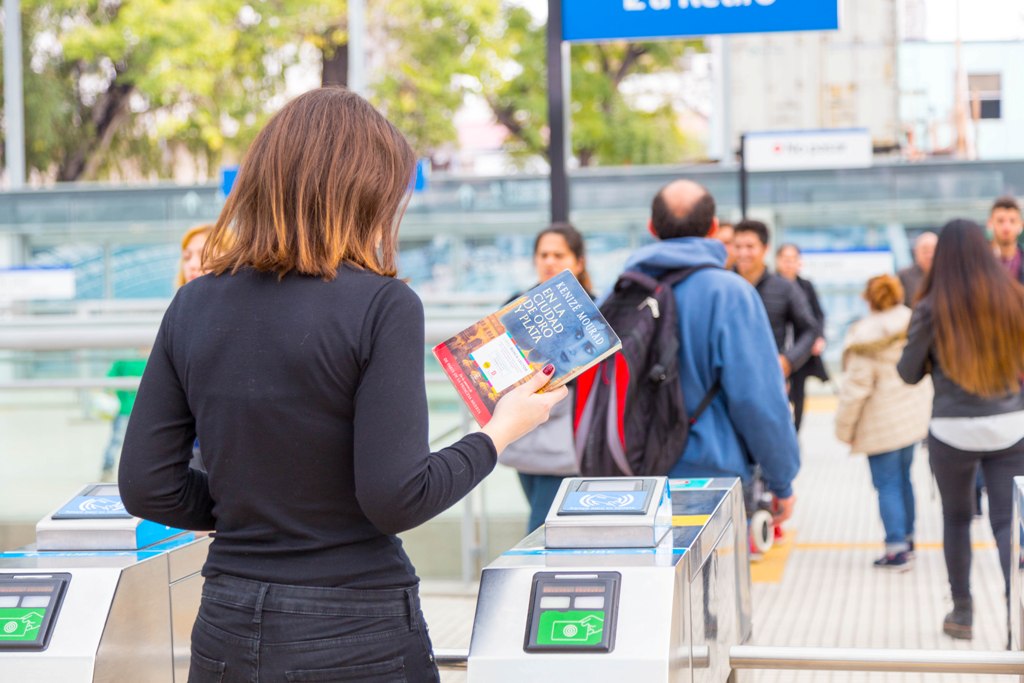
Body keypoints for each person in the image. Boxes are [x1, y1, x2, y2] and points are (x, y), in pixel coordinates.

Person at [118, 88, 566, 683]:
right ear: (364, 192)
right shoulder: (383, 305)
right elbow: (396, 497)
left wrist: (248, 510)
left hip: (226, 619)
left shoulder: (192, 304)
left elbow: (146, 486)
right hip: (355, 627)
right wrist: (500, 430)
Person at [617, 179, 799, 525]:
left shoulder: (621, 290)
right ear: (714, 228)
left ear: (651, 228)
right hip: (709, 477)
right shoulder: (730, 293)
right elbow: (758, 399)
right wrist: (782, 479)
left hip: (628, 476)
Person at [898, 219, 1024, 642]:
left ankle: (962, 613)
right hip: (1010, 425)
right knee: (1007, 522)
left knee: (956, 518)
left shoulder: (931, 307)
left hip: (952, 429)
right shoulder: (1014, 297)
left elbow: (908, 372)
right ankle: (1017, 614)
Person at [834, 275, 932, 570]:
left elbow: (855, 391)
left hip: (879, 423)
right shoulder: (912, 321)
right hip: (910, 419)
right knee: (904, 478)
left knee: (887, 484)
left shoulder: (864, 334)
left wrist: (844, 429)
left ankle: (895, 549)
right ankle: (909, 539)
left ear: (868, 298)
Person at [501, 223, 590, 533]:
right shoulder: (515, 304)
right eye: (543, 254)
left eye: (559, 254)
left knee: (543, 528)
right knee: (545, 521)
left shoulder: (593, 311)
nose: (549, 261)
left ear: (578, 263)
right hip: (524, 432)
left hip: (567, 435)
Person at [733, 220, 819, 384]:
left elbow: (810, 329)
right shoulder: (722, 286)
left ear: (765, 248)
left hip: (768, 378)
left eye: (750, 247)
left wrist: (788, 361)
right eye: (738, 247)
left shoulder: (784, 288)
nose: (743, 253)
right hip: (726, 379)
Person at [775, 243, 829, 431]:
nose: (789, 264)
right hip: (777, 352)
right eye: (785, 260)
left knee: (799, 393)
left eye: (793, 260)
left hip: (800, 351)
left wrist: (818, 338)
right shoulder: (770, 285)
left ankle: (795, 431)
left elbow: (818, 316)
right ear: (777, 261)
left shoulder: (806, 286)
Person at [896, 231, 937, 307]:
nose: (929, 255)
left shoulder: (947, 276)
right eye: (925, 251)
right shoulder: (903, 276)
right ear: (916, 252)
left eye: (933, 250)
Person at [989, 195, 1023, 284]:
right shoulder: (978, 261)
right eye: (1000, 221)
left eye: (1012, 221)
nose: (1006, 227)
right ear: (990, 223)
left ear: (1021, 225)